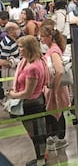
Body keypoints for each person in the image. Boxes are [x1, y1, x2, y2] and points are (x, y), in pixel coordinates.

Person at [5, 35, 49, 166]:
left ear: (29, 48)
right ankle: (41, 157)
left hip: (32, 103)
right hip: (33, 101)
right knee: (36, 132)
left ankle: (41, 160)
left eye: (21, 47)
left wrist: (13, 94)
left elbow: (27, 93)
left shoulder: (33, 68)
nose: (19, 49)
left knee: (36, 134)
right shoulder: (30, 61)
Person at [39, 24, 71, 151]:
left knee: (57, 112)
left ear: (49, 37)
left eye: (42, 36)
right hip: (52, 87)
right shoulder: (51, 49)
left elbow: (59, 71)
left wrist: (54, 88)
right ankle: (54, 136)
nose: (40, 39)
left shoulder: (54, 51)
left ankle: (60, 138)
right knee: (53, 113)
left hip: (55, 88)